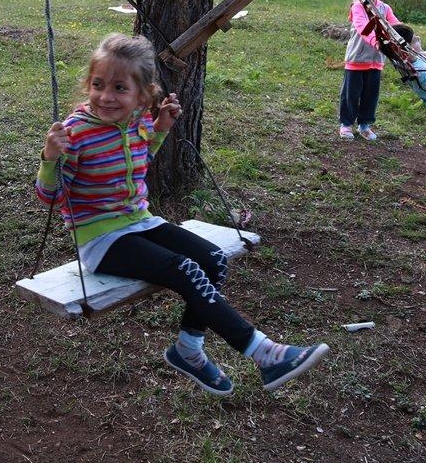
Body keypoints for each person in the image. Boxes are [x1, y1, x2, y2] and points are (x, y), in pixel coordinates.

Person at [36, 34, 329, 396]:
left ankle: (188, 349)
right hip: (100, 239)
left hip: (140, 222)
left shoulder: (135, 121)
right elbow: (50, 197)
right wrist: (50, 158)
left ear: (142, 96)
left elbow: (140, 161)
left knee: (213, 258)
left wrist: (160, 128)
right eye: (98, 85)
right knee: (183, 268)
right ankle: (265, 353)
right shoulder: (75, 133)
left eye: (119, 88)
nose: (106, 96)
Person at [338, 0, 399, 141]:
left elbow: (396, 26)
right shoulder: (357, 7)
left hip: (376, 62)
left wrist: (406, 37)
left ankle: (364, 125)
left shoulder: (385, 9)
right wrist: (377, 42)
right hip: (356, 60)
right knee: (351, 95)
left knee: (370, 96)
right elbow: (363, 28)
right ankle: (346, 124)